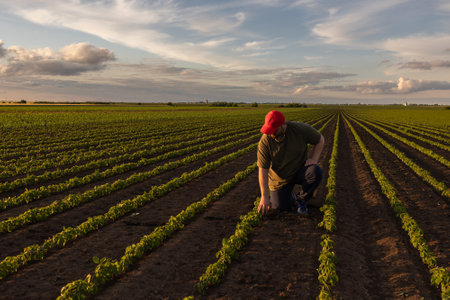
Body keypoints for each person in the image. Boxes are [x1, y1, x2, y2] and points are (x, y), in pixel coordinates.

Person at [257, 110, 324, 216]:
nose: (271, 133)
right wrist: (264, 196)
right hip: (280, 179)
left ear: (283, 125)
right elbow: (262, 169)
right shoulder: (265, 142)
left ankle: (301, 200)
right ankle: (291, 197)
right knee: (279, 208)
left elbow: (320, 140)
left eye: (274, 130)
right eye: (269, 130)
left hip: (299, 170)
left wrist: (314, 159)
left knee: (315, 171)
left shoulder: (299, 129)